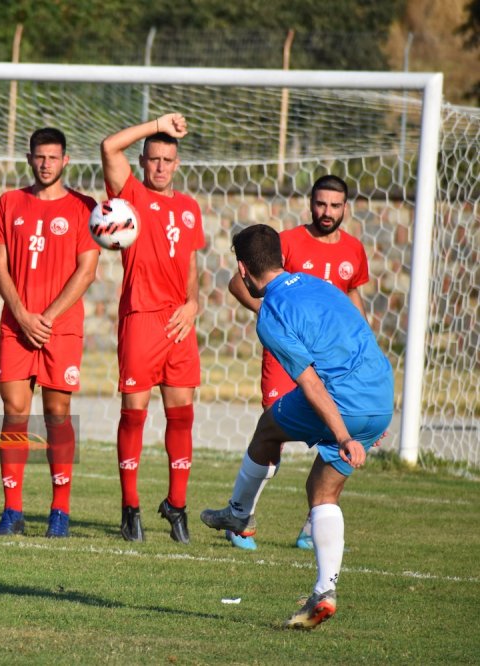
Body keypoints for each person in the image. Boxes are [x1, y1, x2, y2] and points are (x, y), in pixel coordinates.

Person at [200, 223, 393, 629]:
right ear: (281, 259)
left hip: (345, 399)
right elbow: (360, 330)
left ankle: (239, 514)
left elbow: (309, 382)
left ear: (242, 268)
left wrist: (343, 434)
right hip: (379, 392)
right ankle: (324, 591)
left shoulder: (270, 315)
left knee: (269, 426)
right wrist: (372, 418)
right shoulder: (316, 283)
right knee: (322, 491)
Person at [225, 175, 370, 551]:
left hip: (331, 363)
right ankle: (242, 520)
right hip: (286, 359)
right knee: (272, 436)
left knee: (333, 437)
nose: (327, 212)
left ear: (345, 207)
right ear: (310, 202)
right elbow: (239, 283)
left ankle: (311, 526)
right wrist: (274, 317)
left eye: (335, 205)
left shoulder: (353, 249)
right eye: (321, 204)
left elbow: (353, 297)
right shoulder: (285, 242)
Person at [100, 113, 204, 544]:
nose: (160, 166)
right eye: (153, 159)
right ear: (142, 162)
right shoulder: (131, 197)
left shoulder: (190, 208)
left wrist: (194, 303)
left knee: (182, 417)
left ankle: (176, 505)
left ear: (177, 164)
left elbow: (192, 268)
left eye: (167, 160)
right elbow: (109, 145)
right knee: (135, 415)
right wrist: (157, 123)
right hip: (141, 319)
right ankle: (130, 508)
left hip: (180, 323)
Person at [0, 127, 99, 538]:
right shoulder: (9, 202)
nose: (46, 164)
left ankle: (60, 513)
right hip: (17, 326)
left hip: (61, 328)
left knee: (57, 415)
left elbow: (86, 271)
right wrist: (21, 313)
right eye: (39, 156)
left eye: (53, 157)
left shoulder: (82, 207)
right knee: (14, 412)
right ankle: (12, 512)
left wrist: (47, 316)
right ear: (29, 158)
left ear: (66, 160)